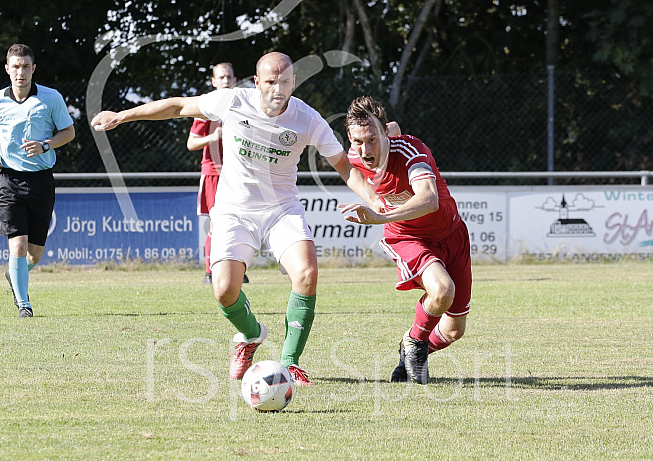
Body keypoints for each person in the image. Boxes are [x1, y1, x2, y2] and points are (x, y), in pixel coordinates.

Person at [91, 52, 380, 385]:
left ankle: (290, 362)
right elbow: (177, 106)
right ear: (257, 83)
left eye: (285, 82)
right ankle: (252, 334)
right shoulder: (233, 101)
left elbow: (343, 166)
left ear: (294, 82)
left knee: (307, 273)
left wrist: (376, 199)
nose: (278, 89)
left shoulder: (308, 118)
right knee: (225, 290)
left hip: (281, 210)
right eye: (270, 82)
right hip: (234, 210)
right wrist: (122, 115)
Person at [339, 96, 472, 384]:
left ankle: (412, 346)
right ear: (350, 139)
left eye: (372, 139)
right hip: (407, 235)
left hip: (452, 234)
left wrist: (381, 215)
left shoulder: (411, 150)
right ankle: (416, 344)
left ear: (384, 133)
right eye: (358, 142)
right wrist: (373, 200)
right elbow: (344, 166)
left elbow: (429, 198)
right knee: (442, 290)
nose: (365, 149)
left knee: (453, 331)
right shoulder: (353, 154)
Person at [0, 44, 75, 318]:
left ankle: (15, 273)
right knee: (17, 245)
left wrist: (46, 145)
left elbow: (68, 132)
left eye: (25, 66)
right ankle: (24, 305)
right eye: (15, 66)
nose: (20, 72)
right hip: (9, 179)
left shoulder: (51, 98)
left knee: (34, 254)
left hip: (41, 181)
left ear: (33, 69)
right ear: (7, 69)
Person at [186, 62, 248, 285]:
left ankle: (237, 269)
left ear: (234, 80)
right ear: (214, 82)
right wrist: (213, 137)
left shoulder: (243, 106)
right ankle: (210, 271)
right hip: (214, 173)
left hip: (238, 174)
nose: (225, 81)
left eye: (228, 77)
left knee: (240, 222)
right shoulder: (206, 108)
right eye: (220, 77)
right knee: (216, 223)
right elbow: (191, 143)